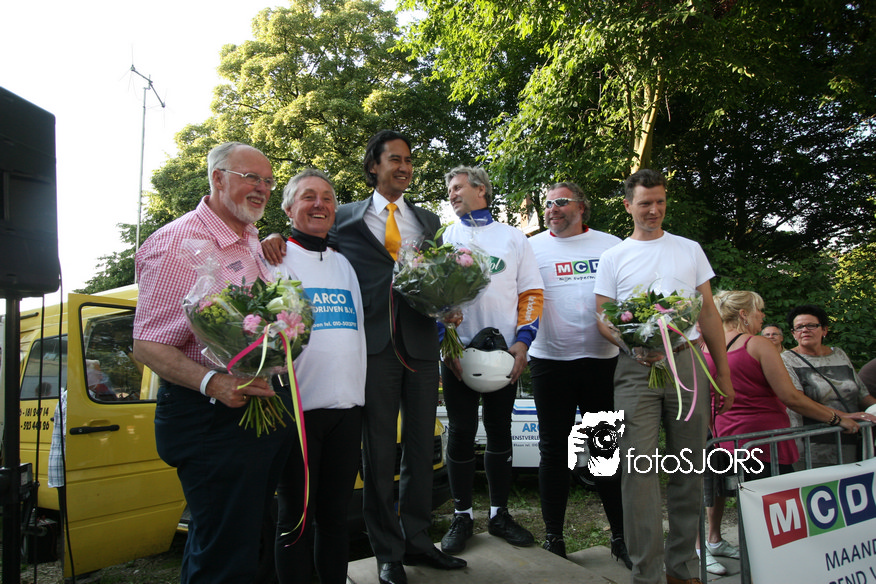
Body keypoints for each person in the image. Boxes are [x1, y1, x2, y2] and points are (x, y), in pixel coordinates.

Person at [133, 142, 294, 584]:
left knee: (251, 544)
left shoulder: (249, 237)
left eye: (268, 180)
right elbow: (147, 345)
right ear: (218, 178)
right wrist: (213, 383)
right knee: (224, 556)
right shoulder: (175, 244)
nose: (262, 188)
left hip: (259, 411)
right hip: (210, 417)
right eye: (250, 177)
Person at [593, 168, 735, 584]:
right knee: (638, 472)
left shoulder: (689, 249)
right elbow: (602, 317)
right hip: (635, 368)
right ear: (628, 206)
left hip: (686, 363)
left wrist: (723, 376)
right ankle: (647, 573)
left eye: (659, 202)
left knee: (688, 468)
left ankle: (682, 568)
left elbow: (708, 315)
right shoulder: (614, 257)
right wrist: (631, 344)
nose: (653, 210)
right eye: (645, 203)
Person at [699, 291, 867, 575]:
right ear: (744, 314)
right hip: (766, 443)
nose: (763, 316)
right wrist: (836, 417)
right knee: (776, 520)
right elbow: (791, 397)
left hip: (726, 440)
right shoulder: (757, 344)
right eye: (760, 310)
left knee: (747, 511)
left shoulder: (705, 347)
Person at [437, 166, 544, 556]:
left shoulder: (513, 238)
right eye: (449, 189)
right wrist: (444, 342)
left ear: (481, 189)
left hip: (505, 355)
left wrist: (523, 343)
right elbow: (432, 295)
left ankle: (499, 515)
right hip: (457, 353)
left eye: (458, 187)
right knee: (462, 432)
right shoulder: (445, 237)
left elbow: (531, 293)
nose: (452, 194)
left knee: (500, 432)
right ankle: (462, 516)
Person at [526, 182, 631, 568]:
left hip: (602, 361)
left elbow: (629, 300)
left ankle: (621, 538)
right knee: (553, 451)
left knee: (605, 452)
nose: (552, 209)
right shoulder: (532, 247)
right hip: (549, 361)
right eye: (548, 203)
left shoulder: (611, 245)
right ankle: (554, 537)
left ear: (582, 207)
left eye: (561, 202)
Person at [273, 170, 366, 584]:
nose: (319, 204)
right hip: (298, 410)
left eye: (327, 197)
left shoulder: (344, 264)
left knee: (335, 517)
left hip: (347, 408)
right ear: (288, 208)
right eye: (308, 196)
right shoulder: (272, 259)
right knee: (295, 518)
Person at [781, 304, 876, 466]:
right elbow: (798, 401)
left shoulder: (839, 354)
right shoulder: (786, 360)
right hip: (812, 444)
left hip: (849, 439)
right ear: (793, 334)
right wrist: (843, 417)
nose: (805, 330)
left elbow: (861, 394)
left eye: (811, 325)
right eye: (799, 327)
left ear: (824, 330)